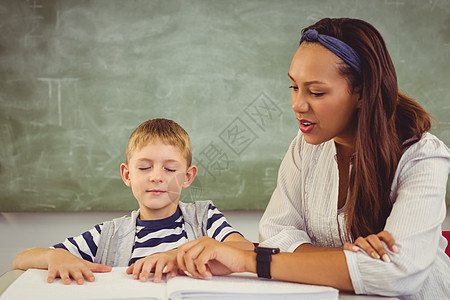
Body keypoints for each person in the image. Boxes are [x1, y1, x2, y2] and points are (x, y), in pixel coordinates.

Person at [175, 18, 450, 299]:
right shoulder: (305, 146)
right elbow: (276, 233)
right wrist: (345, 261)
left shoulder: (423, 156)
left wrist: (251, 261)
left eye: (316, 92)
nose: (297, 105)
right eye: (293, 87)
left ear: (363, 93)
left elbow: (397, 273)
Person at [12, 118, 253, 285]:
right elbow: (21, 260)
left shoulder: (205, 218)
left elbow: (246, 249)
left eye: (170, 169)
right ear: (128, 175)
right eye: (145, 167)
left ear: (187, 177)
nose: (156, 176)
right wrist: (54, 256)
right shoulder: (107, 236)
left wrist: (179, 255)